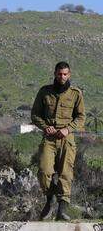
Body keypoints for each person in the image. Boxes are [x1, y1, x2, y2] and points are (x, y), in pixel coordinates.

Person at [31, 62, 85, 220]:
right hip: (49, 138)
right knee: (44, 171)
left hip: (66, 138)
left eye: (65, 74)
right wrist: (45, 126)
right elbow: (35, 114)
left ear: (69, 74)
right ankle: (50, 198)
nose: (62, 77)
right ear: (55, 73)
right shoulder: (45, 92)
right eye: (60, 74)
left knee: (65, 173)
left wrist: (68, 129)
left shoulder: (76, 94)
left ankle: (62, 209)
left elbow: (81, 117)